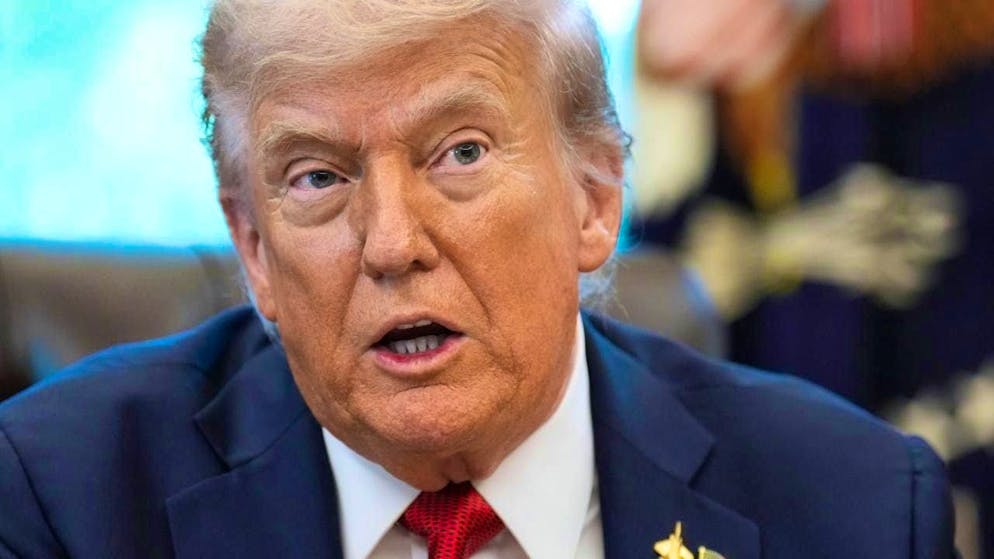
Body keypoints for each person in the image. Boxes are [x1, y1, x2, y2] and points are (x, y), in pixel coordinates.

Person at [0, 1, 955, 558]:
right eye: (318, 177)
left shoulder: (853, 507)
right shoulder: (65, 497)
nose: (390, 243)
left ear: (594, 197)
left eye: (459, 153)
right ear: (252, 247)